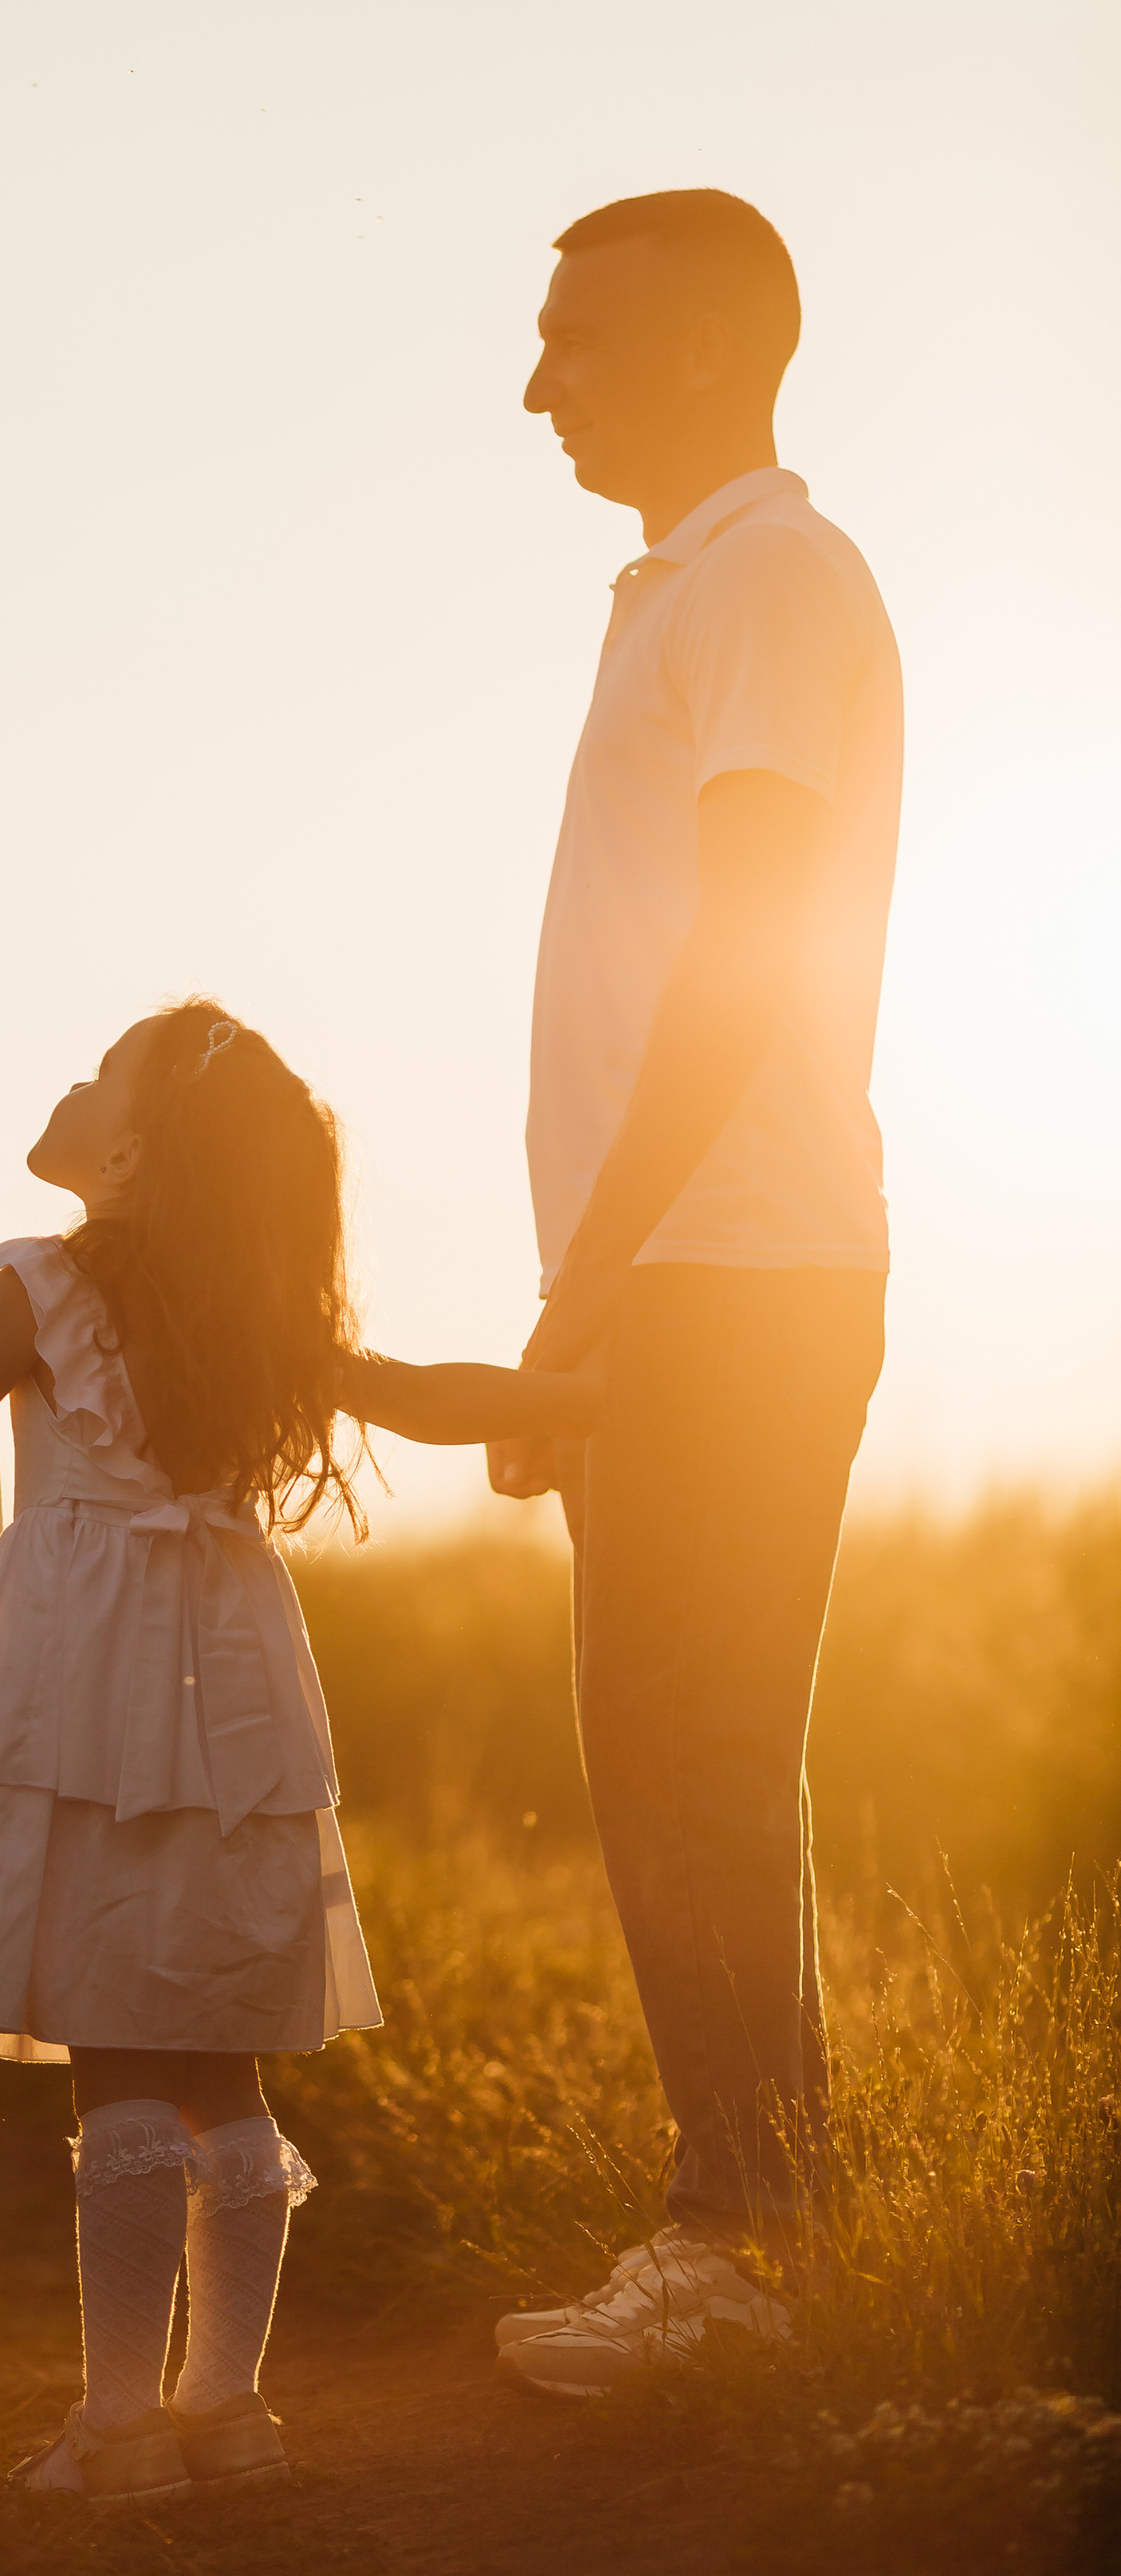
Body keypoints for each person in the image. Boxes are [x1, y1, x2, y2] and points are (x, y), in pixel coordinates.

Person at [0, 1000, 601, 2501]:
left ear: (132, 1151)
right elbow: (432, 1402)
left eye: (103, 1071)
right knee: (220, 2048)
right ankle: (231, 2411)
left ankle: (123, 2425)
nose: (74, 1080)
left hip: (85, 1680)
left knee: (119, 2048)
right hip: (237, 1685)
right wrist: (583, 1397)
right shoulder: (260, 1306)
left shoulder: (50, 1286)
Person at [486, 191, 903, 2395]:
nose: (538, 381)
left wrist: (586, 1290)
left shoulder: (769, 581)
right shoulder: (690, 590)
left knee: (698, 1754)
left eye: (577, 338)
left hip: (726, 1274)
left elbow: (747, 956)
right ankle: (743, 2234)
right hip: (693, 1272)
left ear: (709, 350)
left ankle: (746, 2258)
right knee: (667, 1753)